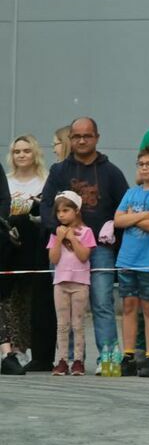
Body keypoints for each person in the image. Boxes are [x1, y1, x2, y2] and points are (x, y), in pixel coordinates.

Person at [39, 117, 129, 373]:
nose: (81, 140)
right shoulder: (59, 171)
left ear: (97, 138)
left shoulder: (111, 172)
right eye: (76, 136)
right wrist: (56, 229)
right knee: (64, 310)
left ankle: (107, 357)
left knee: (102, 302)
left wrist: (114, 228)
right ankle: (68, 359)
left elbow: (125, 205)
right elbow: (46, 205)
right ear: (71, 139)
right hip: (64, 246)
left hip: (99, 248)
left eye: (87, 136)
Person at [113, 146, 149, 378]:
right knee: (128, 306)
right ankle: (128, 355)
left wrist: (131, 218)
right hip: (128, 258)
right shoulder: (131, 193)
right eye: (141, 164)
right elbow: (118, 220)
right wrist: (143, 216)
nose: (145, 168)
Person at [5, 135, 55, 372]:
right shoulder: (6, 181)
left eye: (26, 150)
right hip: (9, 247)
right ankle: (15, 348)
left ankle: (35, 348)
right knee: (11, 299)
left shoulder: (45, 181)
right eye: (17, 151)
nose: (21, 155)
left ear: (34, 153)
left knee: (34, 299)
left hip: (36, 246)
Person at [47, 191, 94, 376]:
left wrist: (72, 238)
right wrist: (59, 239)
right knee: (62, 324)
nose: (61, 215)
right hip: (60, 283)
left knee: (78, 324)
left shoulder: (86, 232)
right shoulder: (55, 233)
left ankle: (78, 360)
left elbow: (84, 256)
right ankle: (62, 360)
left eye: (65, 210)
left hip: (80, 283)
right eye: (58, 211)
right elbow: (54, 258)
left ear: (76, 210)